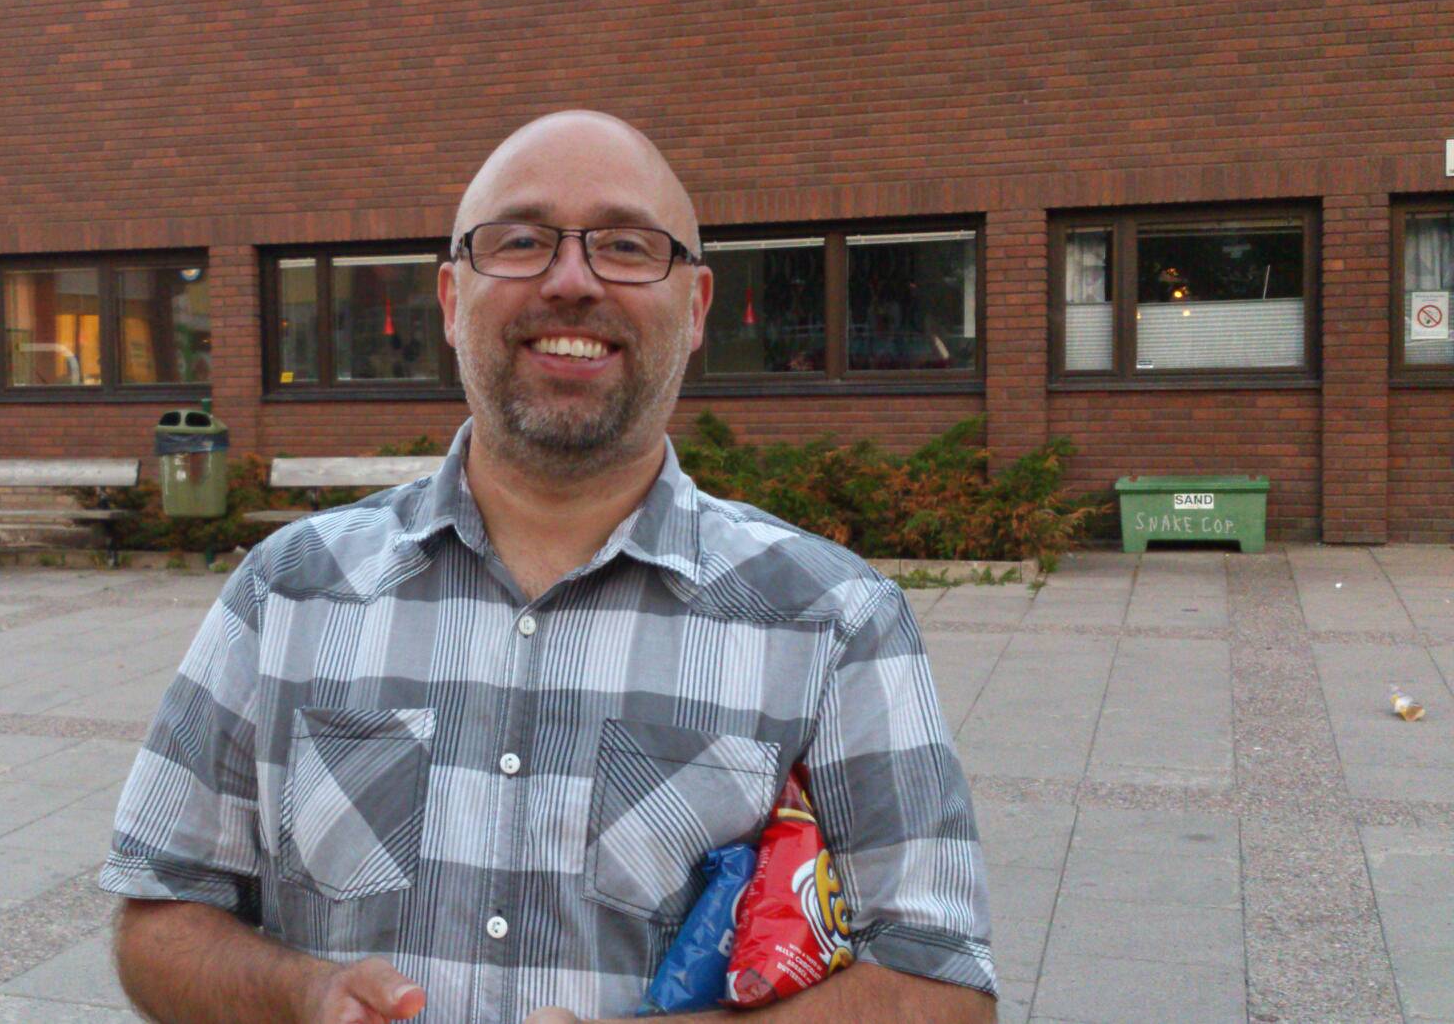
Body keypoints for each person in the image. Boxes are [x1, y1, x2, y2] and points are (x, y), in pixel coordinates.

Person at [103, 111, 997, 1023]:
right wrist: (305, 994)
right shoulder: (289, 589)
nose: (572, 281)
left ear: (696, 309)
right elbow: (159, 916)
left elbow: (939, 983)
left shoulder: (834, 620)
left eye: (627, 246)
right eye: (522, 240)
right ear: (451, 299)